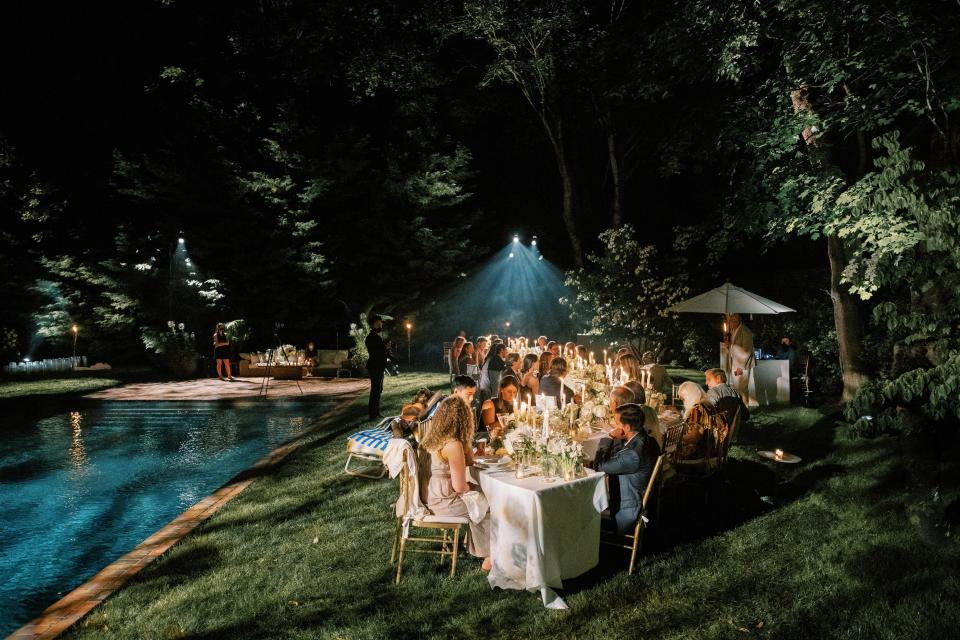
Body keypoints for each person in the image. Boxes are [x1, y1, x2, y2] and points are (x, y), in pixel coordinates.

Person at [419, 396, 492, 571]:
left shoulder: (435, 439)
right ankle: (489, 557)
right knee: (490, 504)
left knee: (481, 495)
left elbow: (468, 462)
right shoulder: (453, 445)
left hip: (431, 495)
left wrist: (467, 446)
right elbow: (459, 487)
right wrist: (473, 491)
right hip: (444, 501)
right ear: (464, 420)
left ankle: (477, 544)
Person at [593, 403, 662, 535]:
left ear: (627, 427)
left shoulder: (632, 455)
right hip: (636, 498)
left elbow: (599, 466)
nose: (614, 427)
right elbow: (618, 453)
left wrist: (609, 437)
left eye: (616, 424)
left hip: (625, 511)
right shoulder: (648, 440)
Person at [724, 313, 755, 404]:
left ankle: (745, 410)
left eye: (734, 321)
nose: (731, 323)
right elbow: (735, 348)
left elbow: (747, 349)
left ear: (739, 321)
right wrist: (728, 346)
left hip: (742, 365)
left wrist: (740, 367)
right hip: (735, 363)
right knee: (737, 388)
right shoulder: (734, 331)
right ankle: (740, 409)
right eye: (730, 321)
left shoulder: (745, 331)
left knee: (742, 388)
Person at [365, 316, 389, 420]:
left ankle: (376, 412)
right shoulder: (370, 337)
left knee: (379, 389)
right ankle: (372, 414)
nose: (380, 325)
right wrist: (384, 346)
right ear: (372, 325)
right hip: (375, 366)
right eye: (377, 324)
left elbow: (381, 350)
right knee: (375, 390)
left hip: (379, 366)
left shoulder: (377, 336)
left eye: (381, 324)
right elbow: (375, 351)